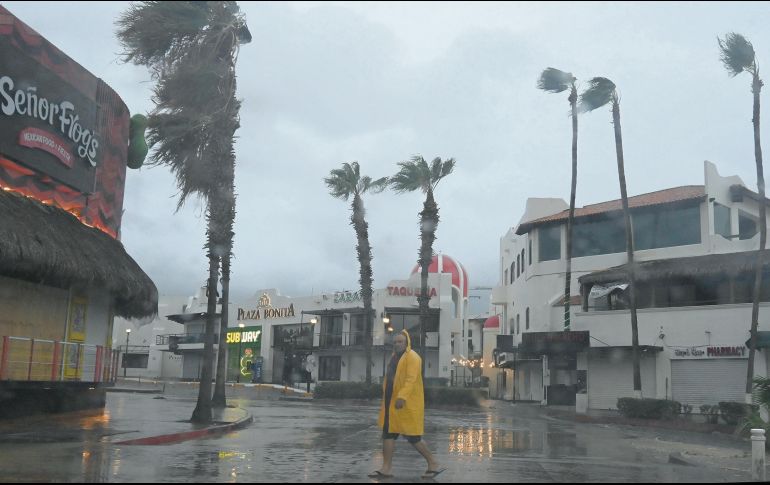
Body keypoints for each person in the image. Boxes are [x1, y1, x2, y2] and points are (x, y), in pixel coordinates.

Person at [368, 330, 445, 480]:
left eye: (400, 342)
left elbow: (410, 379)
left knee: (413, 437)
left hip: (406, 405)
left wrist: (402, 397)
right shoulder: (394, 357)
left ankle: (433, 463)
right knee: (388, 435)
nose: (397, 344)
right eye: (395, 342)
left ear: (407, 342)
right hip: (391, 405)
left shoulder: (413, 357)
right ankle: (386, 468)